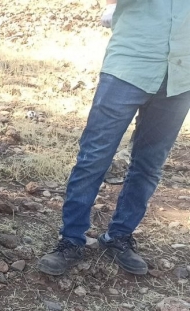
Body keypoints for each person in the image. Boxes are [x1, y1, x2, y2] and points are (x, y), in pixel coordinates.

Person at [38, 1, 190, 277]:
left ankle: (119, 235)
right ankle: (71, 239)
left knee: (149, 165)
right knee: (94, 158)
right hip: (127, 68)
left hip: (181, 76)